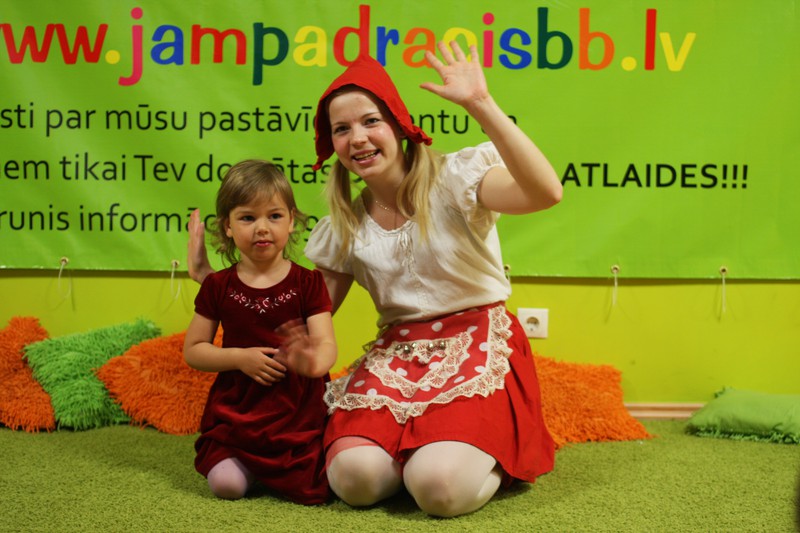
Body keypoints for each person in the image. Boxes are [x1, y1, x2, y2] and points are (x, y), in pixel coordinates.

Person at [189, 40, 562, 517]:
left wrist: (480, 103)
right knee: (354, 480)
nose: (358, 139)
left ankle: (476, 455)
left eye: (370, 121)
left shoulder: (456, 178)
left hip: (476, 345)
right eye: (341, 129)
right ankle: (425, 455)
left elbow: (545, 192)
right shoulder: (344, 225)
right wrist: (214, 283)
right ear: (332, 145)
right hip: (397, 356)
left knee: (438, 488)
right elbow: (294, 314)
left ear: (398, 125)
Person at [183, 159, 337, 505]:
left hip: (298, 415)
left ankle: (279, 467)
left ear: (292, 221)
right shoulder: (217, 286)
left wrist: (314, 362)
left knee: (318, 489)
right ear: (227, 226)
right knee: (226, 485)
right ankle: (248, 466)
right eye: (248, 218)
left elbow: (327, 344)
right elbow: (193, 349)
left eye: (274, 216)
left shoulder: (308, 282)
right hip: (238, 415)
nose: (262, 228)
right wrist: (239, 358)